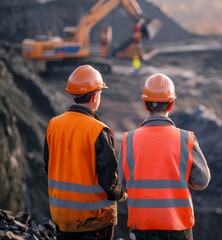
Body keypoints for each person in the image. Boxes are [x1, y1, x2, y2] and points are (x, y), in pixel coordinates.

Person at [119, 73, 211, 240]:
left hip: (141, 228)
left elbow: (120, 185)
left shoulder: (129, 140)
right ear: (171, 104)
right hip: (177, 228)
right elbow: (202, 181)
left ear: (146, 105)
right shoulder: (186, 139)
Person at [44, 65, 127, 240]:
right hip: (93, 221)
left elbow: (48, 166)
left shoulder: (54, 125)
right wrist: (120, 194)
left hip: (62, 218)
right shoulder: (98, 130)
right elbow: (108, 179)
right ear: (95, 96)